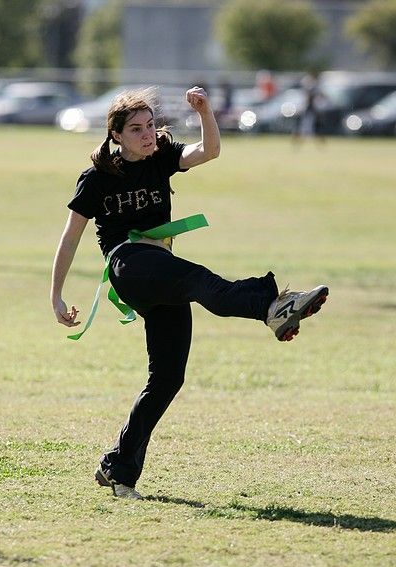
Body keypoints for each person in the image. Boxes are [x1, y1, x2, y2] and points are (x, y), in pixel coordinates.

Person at [50, 86, 328, 500]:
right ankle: (271, 305)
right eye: (136, 129)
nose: (147, 135)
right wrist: (55, 294)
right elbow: (71, 236)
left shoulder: (161, 155)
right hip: (130, 265)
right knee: (200, 281)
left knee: (167, 377)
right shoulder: (98, 177)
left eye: (150, 126)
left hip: (161, 272)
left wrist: (206, 112)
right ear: (117, 135)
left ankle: (119, 470)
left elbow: (209, 152)